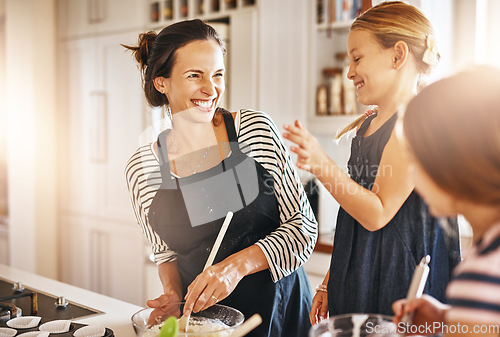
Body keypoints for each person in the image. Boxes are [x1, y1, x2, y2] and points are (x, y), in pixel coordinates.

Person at [123, 19, 317, 337]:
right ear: (162, 82)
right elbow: (165, 253)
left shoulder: (253, 130)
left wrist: (234, 267)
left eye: (217, 74)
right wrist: (172, 292)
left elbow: (303, 229)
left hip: (276, 314)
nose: (211, 89)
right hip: (202, 321)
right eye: (194, 75)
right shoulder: (142, 168)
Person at [282, 1, 461, 323]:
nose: (350, 72)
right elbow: (354, 211)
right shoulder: (367, 125)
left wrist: (321, 164)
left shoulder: (414, 123)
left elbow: (378, 213)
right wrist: (327, 281)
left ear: (397, 55)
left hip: (400, 281)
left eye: (357, 58)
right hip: (361, 273)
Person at [392, 65, 500, 336]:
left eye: (416, 161)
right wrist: (445, 318)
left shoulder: (483, 274)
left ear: (451, 162)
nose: (414, 179)